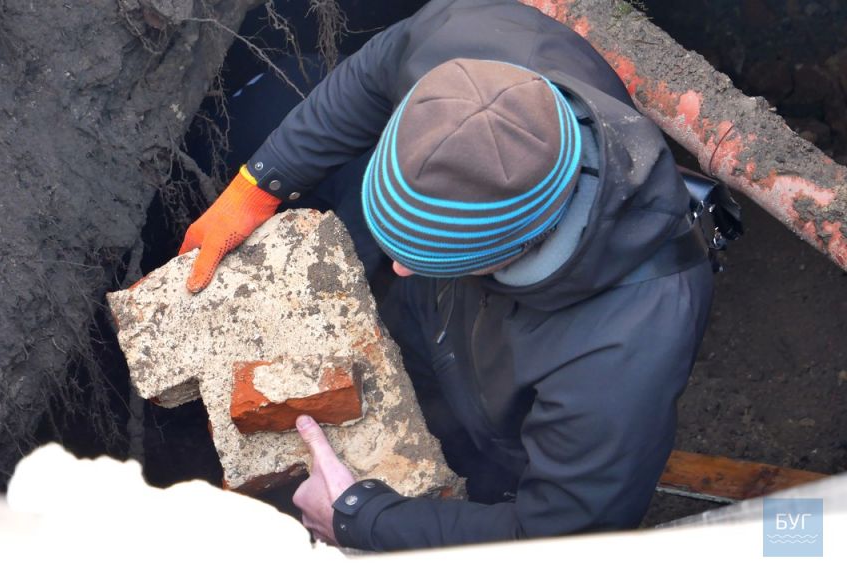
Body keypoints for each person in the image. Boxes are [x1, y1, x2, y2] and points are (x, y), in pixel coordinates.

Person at [179, 0, 714, 551]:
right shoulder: (476, 44)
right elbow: (376, 70)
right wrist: (261, 182)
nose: (397, 269)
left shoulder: (619, 358)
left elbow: (562, 535)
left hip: (509, 435)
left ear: (519, 247)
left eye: (433, 257)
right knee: (412, 330)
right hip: (447, 321)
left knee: (485, 478)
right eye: (398, 245)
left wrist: (360, 519)